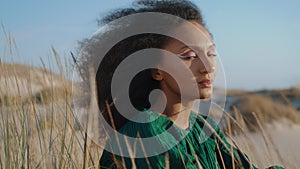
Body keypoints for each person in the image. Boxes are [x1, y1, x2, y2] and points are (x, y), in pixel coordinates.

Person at [79, 0, 285, 168]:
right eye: (188, 56)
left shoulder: (204, 128)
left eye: (211, 53)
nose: (208, 66)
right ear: (156, 69)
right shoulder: (144, 132)